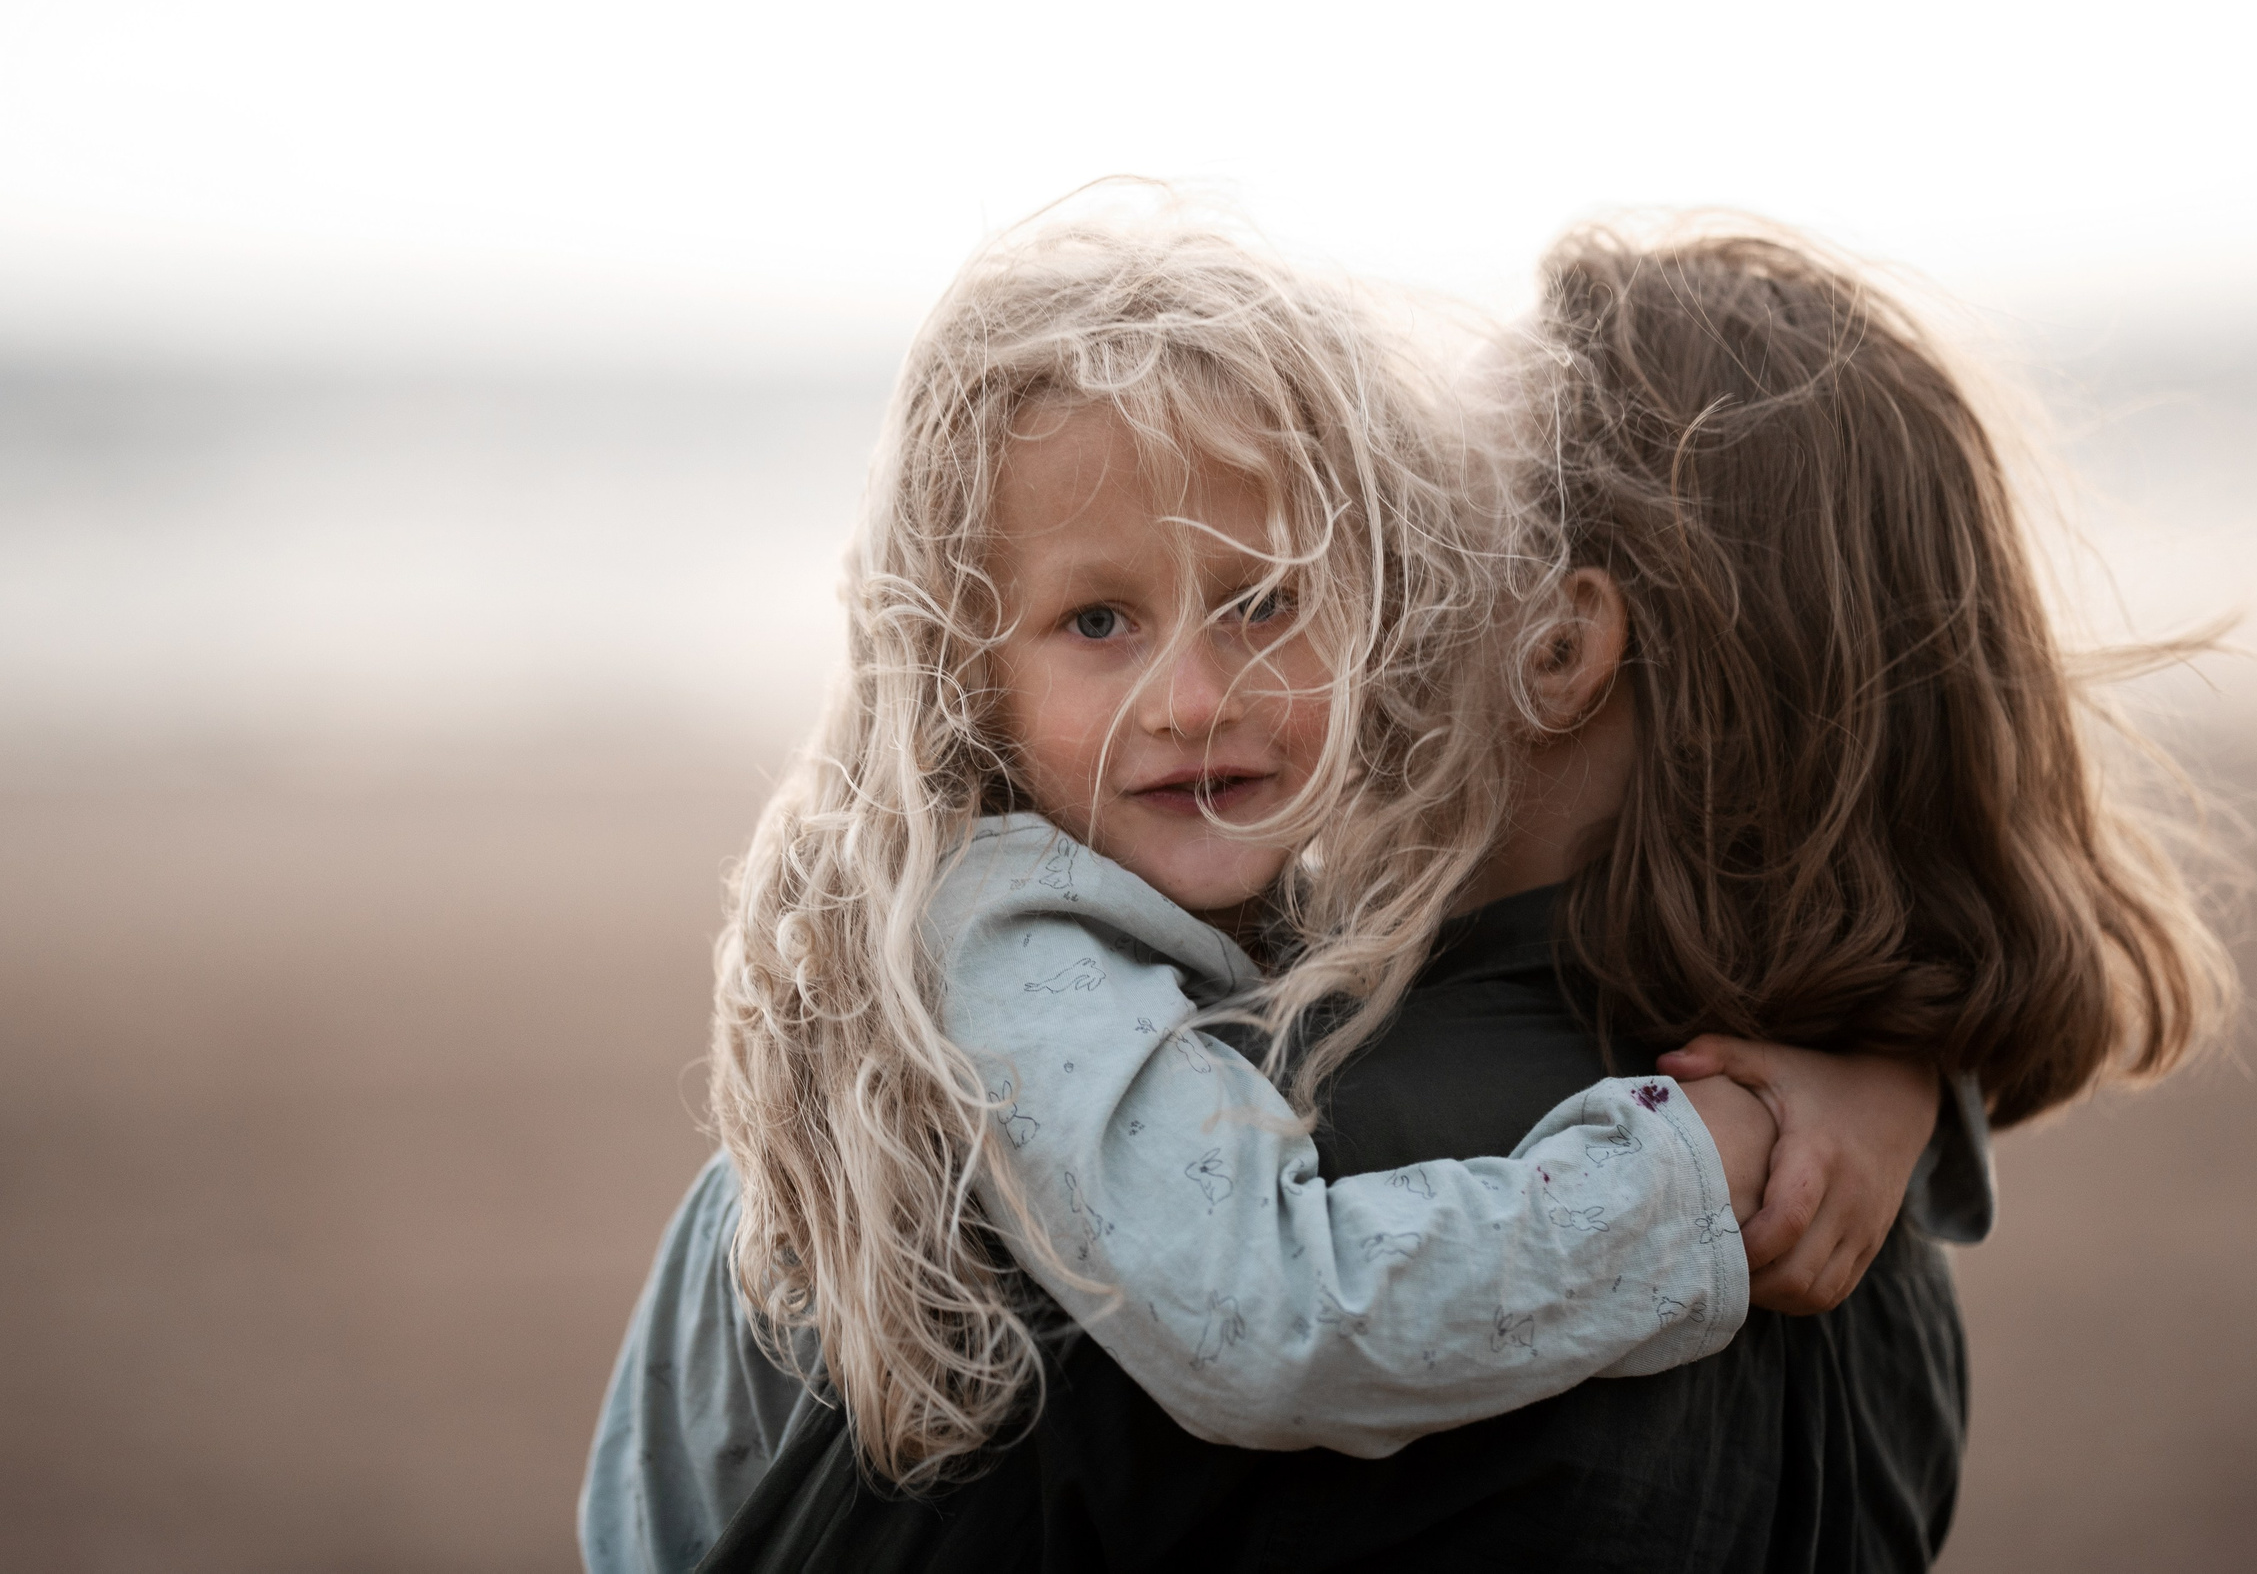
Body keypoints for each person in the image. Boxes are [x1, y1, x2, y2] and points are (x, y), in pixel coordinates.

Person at [583, 214, 1884, 1573]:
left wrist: (1886, 1089)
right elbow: (1264, 1328)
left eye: (1263, 601)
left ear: (1374, 603)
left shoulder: (1251, 896)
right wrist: (1683, 1178)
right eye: (1099, 622)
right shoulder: (1009, 949)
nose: (1196, 699)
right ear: (971, 673)